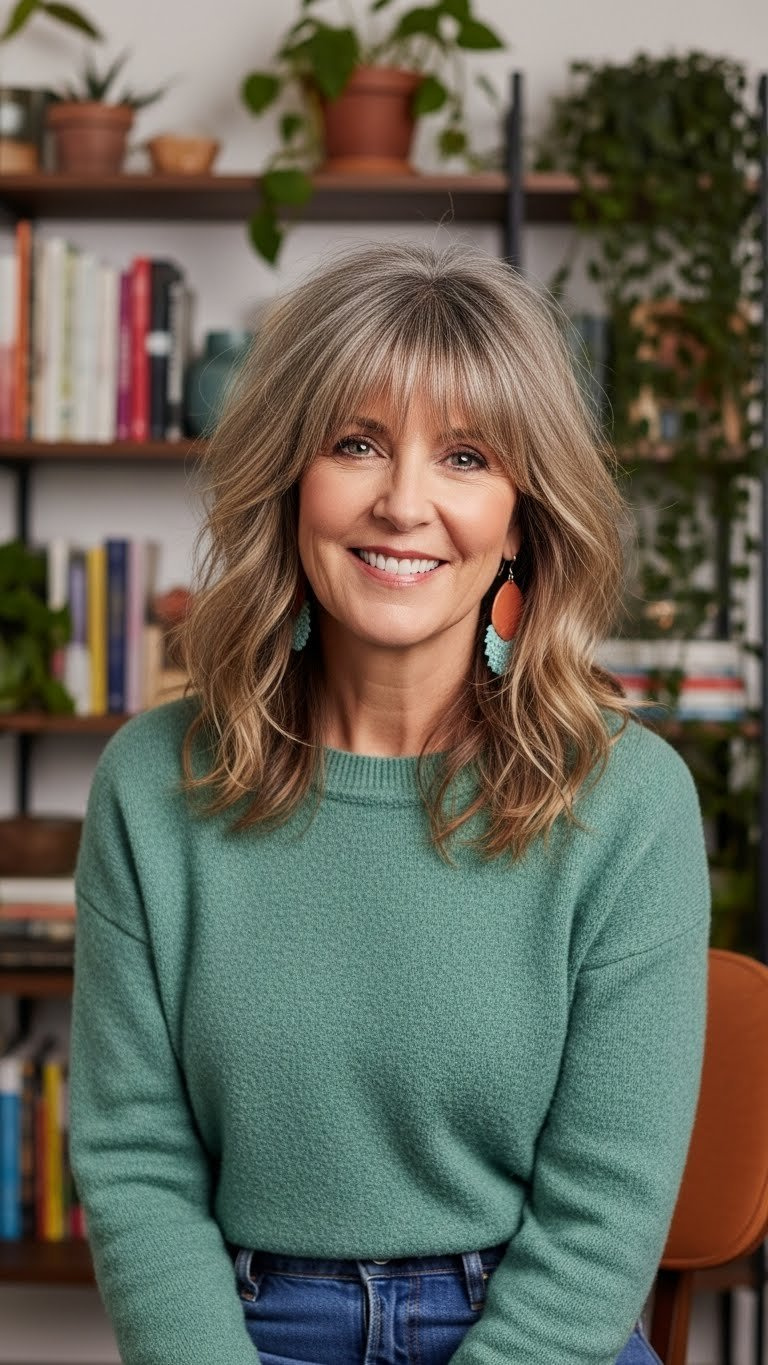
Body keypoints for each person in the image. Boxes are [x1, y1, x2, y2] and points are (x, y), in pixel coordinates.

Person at [69, 240, 710, 1365]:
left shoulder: (631, 800)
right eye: (357, 443)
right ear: (290, 481)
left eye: (465, 456)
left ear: (519, 516)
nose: (403, 502)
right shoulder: (151, 781)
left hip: (537, 1330)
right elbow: (134, 1161)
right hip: (247, 1330)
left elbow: (607, 1207)